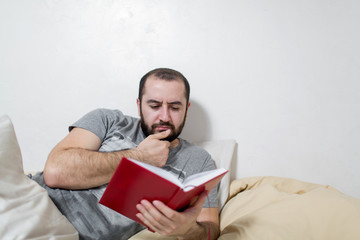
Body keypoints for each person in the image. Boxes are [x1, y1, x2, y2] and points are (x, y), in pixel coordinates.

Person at [31, 68, 220, 239]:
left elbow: (212, 229)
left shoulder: (198, 160)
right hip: (30, 207)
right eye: (154, 106)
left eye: (175, 107)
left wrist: (188, 230)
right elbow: (55, 171)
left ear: (186, 109)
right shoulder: (108, 120)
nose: (164, 116)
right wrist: (139, 157)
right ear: (139, 105)